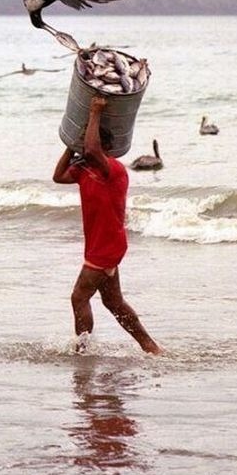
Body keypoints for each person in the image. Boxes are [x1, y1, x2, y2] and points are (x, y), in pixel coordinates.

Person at [53, 95, 162, 354]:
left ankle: (83, 351)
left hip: (107, 247)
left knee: (79, 297)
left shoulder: (113, 170)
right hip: (99, 245)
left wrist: (95, 112)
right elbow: (58, 176)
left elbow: (93, 150)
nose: (86, 147)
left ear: (104, 146)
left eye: (88, 142)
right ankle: (150, 347)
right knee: (114, 302)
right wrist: (71, 146)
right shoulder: (85, 170)